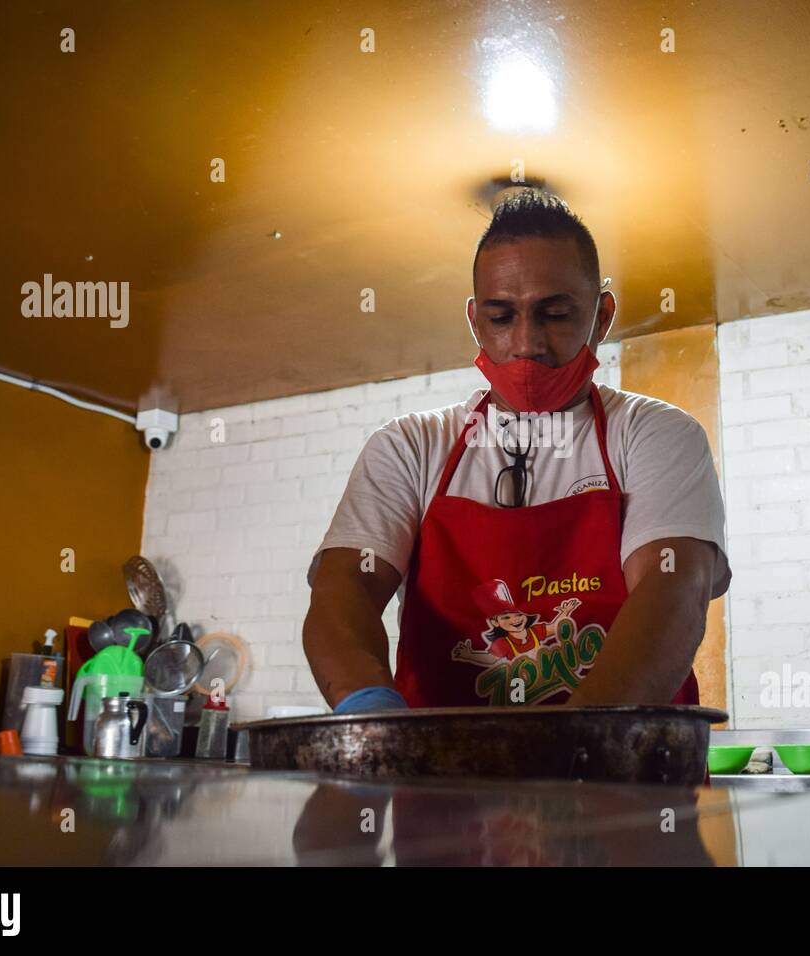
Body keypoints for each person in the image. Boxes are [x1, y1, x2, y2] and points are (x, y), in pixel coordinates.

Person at [303, 188, 731, 712]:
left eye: (553, 313)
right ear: (475, 321)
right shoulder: (410, 447)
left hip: (627, 779)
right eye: (502, 317)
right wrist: (367, 704)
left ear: (601, 317)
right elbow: (345, 588)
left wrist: (576, 747)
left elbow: (673, 595)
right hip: (446, 779)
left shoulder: (655, 433)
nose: (526, 343)